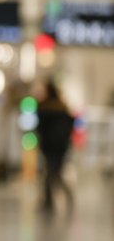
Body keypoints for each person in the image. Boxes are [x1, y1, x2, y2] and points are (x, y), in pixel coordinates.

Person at [36, 80, 75, 214]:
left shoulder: (44, 107)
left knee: (51, 172)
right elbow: (71, 124)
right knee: (54, 172)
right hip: (61, 146)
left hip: (49, 146)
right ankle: (52, 200)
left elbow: (39, 128)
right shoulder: (62, 107)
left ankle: (51, 200)